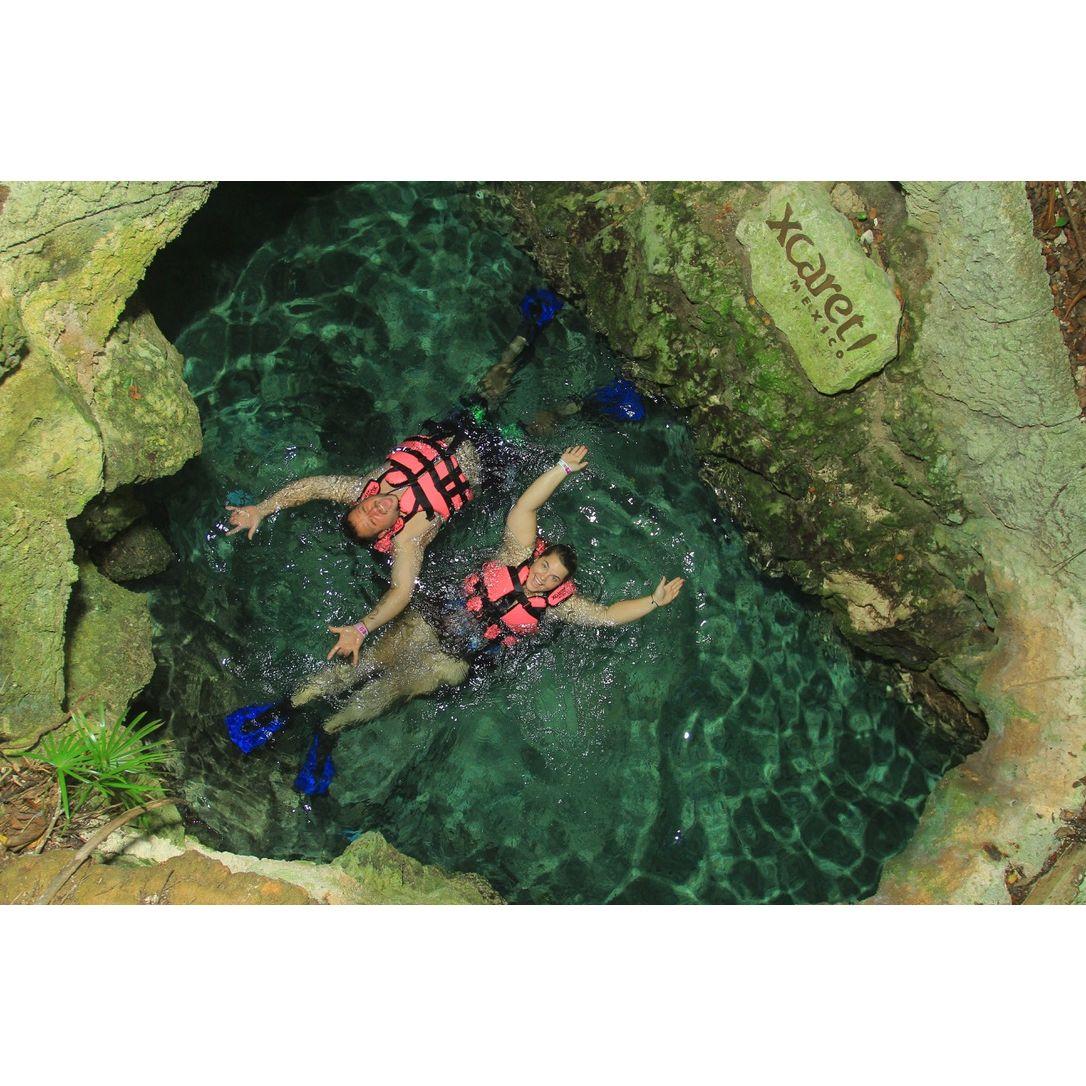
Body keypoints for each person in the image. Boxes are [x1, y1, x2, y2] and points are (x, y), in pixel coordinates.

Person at [278, 444, 684, 794]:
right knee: (367, 664)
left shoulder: (561, 605)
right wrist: (560, 469)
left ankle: (329, 730)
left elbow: (610, 615)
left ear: (563, 585)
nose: (543, 577)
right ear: (536, 556)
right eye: (543, 566)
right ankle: (291, 705)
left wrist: (653, 600)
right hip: (430, 620)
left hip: (454, 659)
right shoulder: (514, 552)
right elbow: (527, 505)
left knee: (390, 690)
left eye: (553, 578)